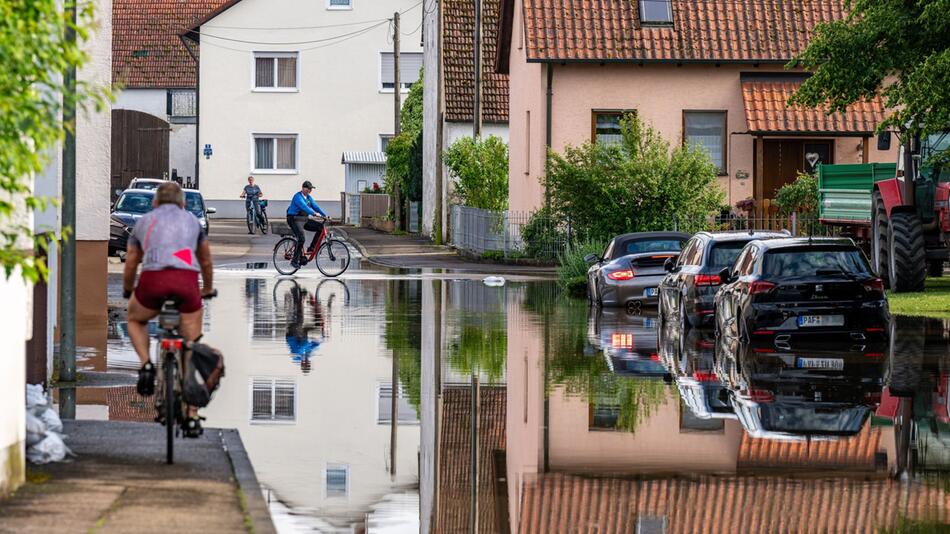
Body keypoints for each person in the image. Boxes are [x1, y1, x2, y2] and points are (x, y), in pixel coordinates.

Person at [122, 182, 214, 438]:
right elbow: (205, 260)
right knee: (192, 344)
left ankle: (146, 365)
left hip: (153, 282)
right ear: (182, 203)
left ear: (154, 203)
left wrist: (129, 290)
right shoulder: (193, 222)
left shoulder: (144, 221)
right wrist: (207, 288)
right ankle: (193, 415)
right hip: (186, 283)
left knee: (135, 319)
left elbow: (131, 261)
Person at [286, 180, 328, 268]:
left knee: (320, 228)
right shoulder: (298, 197)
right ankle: (294, 261)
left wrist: (325, 215)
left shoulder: (308, 197)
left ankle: (311, 248)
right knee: (301, 238)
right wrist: (314, 213)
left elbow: (315, 206)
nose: (310, 190)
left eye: (311, 189)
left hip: (303, 219)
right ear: (303, 188)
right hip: (294, 219)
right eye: (308, 188)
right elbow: (304, 207)